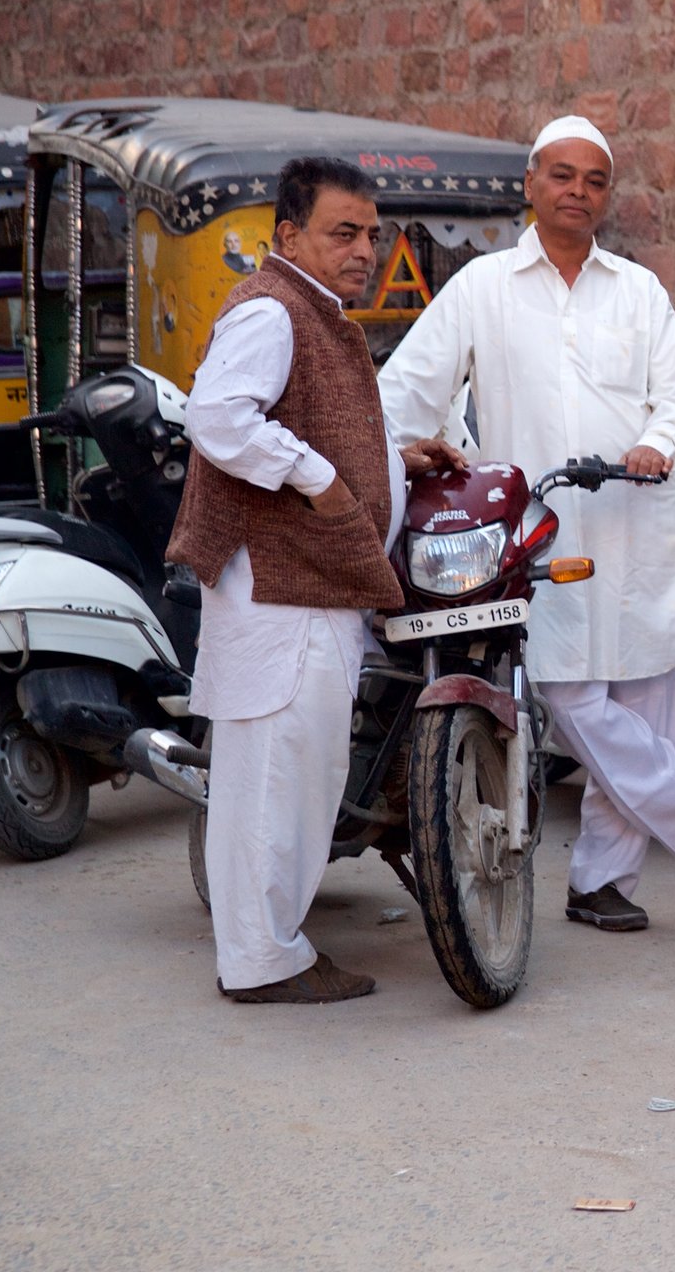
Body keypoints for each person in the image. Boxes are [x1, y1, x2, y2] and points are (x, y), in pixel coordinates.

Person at [376, 115, 675, 935]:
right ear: (530, 184)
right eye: (562, 176)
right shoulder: (483, 287)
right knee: (566, 693)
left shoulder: (637, 290)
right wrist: (430, 452)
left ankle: (602, 883)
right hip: (538, 531)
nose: (578, 192)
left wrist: (656, 442)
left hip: (638, 525)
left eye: (594, 180)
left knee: (642, 705)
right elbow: (406, 390)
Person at [169, 157, 465, 1004]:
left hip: (299, 587)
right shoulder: (272, 309)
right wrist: (318, 478)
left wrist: (393, 465)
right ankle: (264, 962)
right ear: (289, 234)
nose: (365, 248)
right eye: (345, 232)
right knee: (279, 777)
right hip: (283, 589)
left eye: (372, 234)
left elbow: (298, 417)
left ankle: (266, 950)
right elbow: (219, 416)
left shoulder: (308, 310)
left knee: (282, 773)